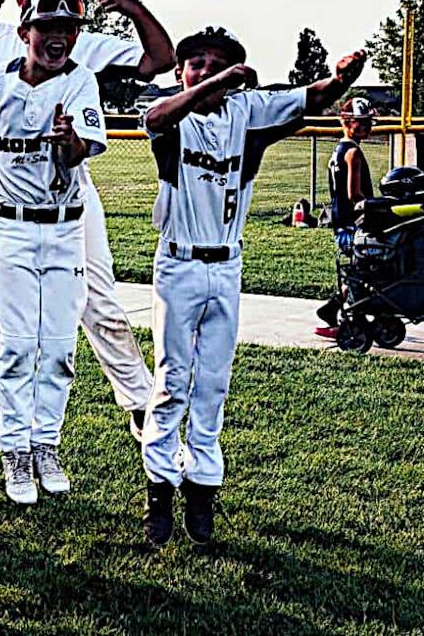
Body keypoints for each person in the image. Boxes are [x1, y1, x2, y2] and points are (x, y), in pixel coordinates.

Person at [0, 0, 176, 476]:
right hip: (2, 189)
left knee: (101, 303)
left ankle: (144, 410)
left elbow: (158, 61)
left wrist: (130, 7)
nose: (53, 2)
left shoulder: (80, 39)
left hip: (70, 188)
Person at [140, 27, 365, 547]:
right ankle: (159, 494)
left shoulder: (246, 116)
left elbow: (310, 98)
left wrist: (340, 79)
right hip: (179, 263)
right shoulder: (175, 116)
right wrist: (215, 82)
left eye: (219, 63)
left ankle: (201, 490)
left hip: (227, 264)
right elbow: (155, 119)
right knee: (173, 381)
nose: (207, 70)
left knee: (213, 383)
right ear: (181, 72)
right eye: (197, 63)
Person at [0, 0, 107, 504]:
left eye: (67, 29)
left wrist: (69, 144)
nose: (58, 38)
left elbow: (81, 152)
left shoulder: (81, 81)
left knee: (60, 346)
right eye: (47, 28)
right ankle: (16, 449)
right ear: (25, 33)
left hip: (65, 226)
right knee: (19, 344)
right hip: (15, 226)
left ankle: (47, 442)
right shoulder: (1, 84)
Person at [316, 96, 377, 338]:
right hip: (353, 226)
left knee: (356, 272)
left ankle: (331, 309)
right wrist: (374, 209)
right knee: (364, 272)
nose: (368, 127)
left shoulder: (339, 149)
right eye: (362, 123)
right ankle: (352, 319)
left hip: (340, 224)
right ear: (348, 122)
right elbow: (355, 195)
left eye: (369, 122)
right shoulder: (354, 153)